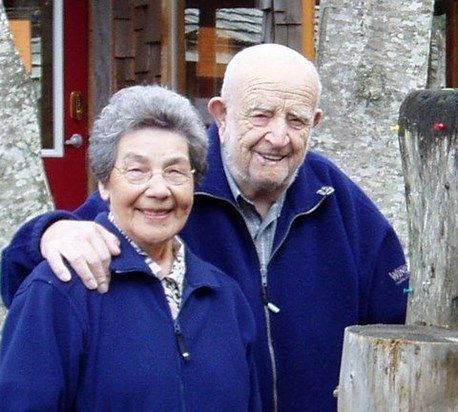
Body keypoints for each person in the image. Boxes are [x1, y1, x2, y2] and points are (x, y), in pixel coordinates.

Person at [1, 44, 409, 412]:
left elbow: (398, 329)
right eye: (261, 115)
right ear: (221, 115)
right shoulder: (172, 189)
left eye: (297, 120)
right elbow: (31, 281)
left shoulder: (336, 199)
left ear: (315, 122)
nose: (278, 136)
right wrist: (50, 232)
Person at [0, 85, 261, 411]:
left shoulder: (225, 298)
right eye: (137, 170)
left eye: (175, 171)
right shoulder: (58, 291)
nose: (159, 189)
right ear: (105, 184)